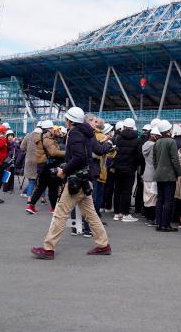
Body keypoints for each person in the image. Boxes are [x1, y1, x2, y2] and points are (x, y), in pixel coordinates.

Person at [31, 107, 112, 260]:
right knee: (91, 214)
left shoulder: (74, 133)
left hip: (76, 179)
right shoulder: (88, 133)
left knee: (60, 213)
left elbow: (79, 157)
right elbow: (90, 153)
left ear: (69, 120)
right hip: (85, 177)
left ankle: (48, 248)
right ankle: (103, 245)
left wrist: (65, 170)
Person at [26, 121, 65, 214]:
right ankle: (53, 208)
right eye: (52, 128)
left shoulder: (40, 137)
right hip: (50, 166)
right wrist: (66, 152)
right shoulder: (47, 139)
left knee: (41, 187)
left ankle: (31, 205)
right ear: (48, 129)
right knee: (53, 187)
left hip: (43, 166)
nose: (53, 130)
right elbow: (53, 152)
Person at [153, 120, 181, 232]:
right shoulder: (171, 142)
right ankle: (166, 225)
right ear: (168, 130)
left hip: (159, 174)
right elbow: (175, 160)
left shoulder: (157, 142)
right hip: (169, 175)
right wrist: (180, 173)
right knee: (168, 200)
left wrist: (157, 170)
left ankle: (159, 223)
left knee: (159, 200)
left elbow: (154, 160)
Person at [112, 118, 141, 222]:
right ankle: (125, 214)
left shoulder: (118, 138)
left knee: (117, 190)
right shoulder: (137, 140)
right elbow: (139, 156)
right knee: (127, 191)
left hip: (118, 168)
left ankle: (116, 214)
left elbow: (115, 153)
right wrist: (133, 165)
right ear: (133, 127)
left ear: (124, 126)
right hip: (129, 169)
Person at [142, 126, 161, 226]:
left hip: (146, 173)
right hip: (153, 174)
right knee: (153, 197)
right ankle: (151, 218)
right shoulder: (155, 146)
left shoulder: (145, 145)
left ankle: (147, 217)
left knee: (147, 196)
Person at [20, 124, 42, 198]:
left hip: (29, 161)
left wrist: (28, 150)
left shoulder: (28, 135)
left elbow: (22, 147)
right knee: (36, 181)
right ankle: (30, 198)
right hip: (39, 161)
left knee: (32, 180)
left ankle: (25, 193)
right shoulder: (42, 136)